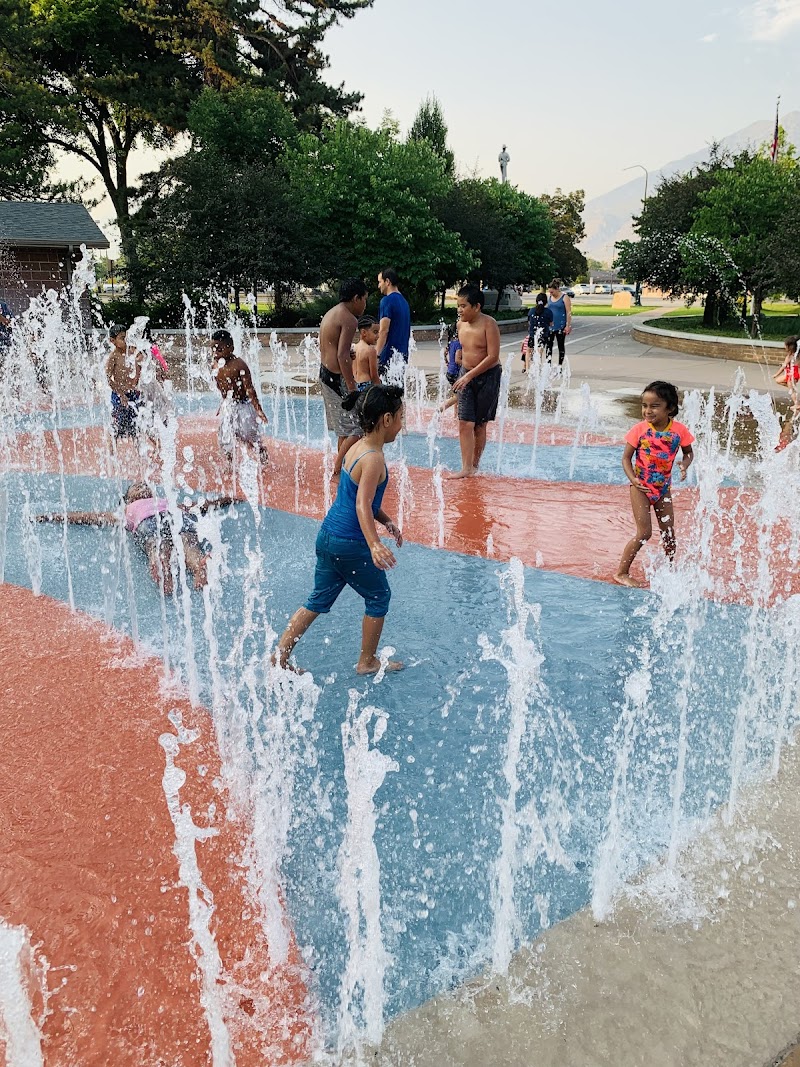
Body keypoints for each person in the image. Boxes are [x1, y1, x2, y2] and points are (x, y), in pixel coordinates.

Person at [275, 385, 405, 675]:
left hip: (328, 536)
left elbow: (356, 497)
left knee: (317, 600)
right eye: (399, 418)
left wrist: (386, 521)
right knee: (378, 597)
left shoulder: (356, 446)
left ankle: (280, 656)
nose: (401, 425)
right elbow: (361, 504)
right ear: (385, 420)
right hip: (351, 542)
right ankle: (367, 661)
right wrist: (373, 544)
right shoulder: (374, 458)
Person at [36, 483, 237, 593]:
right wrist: (52, 516)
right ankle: (177, 564)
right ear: (128, 499)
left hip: (164, 521)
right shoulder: (127, 511)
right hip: (165, 521)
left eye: (143, 485)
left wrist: (228, 499)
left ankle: (186, 564)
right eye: (136, 487)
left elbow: (202, 505)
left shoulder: (161, 502)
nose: (142, 485)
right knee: (170, 542)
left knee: (169, 542)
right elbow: (88, 517)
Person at [614, 381, 694, 588]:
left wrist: (684, 465)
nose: (647, 411)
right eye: (644, 405)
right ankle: (621, 572)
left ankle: (669, 569)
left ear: (670, 408)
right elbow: (625, 459)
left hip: (663, 489)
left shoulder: (679, 431)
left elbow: (688, 452)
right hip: (640, 488)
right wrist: (633, 479)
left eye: (654, 406)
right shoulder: (639, 430)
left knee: (668, 532)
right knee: (644, 533)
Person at [446, 285, 502, 478]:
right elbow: (464, 348)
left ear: (476, 306)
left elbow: (493, 356)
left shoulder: (489, 324)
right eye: (458, 306)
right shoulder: (460, 325)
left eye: (463, 306)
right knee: (464, 422)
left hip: (488, 376)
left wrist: (470, 375)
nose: (459, 310)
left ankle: (475, 465)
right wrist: (457, 360)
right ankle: (466, 467)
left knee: (479, 424)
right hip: (466, 374)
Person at [319, 279, 368, 474]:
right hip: (336, 378)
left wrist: (348, 354)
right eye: (364, 299)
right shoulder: (349, 318)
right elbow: (341, 356)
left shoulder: (333, 312)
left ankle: (346, 468)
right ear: (356, 298)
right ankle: (337, 471)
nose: (365, 305)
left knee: (344, 429)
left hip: (325, 374)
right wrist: (352, 388)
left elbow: (332, 348)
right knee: (356, 430)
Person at [211, 329, 269, 464]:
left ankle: (261, 454)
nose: (215, 352)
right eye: (213, 349)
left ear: (230, 347)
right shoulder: (214, 364)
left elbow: (250, 389)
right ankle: (230, 463)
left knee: (249, 436)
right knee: (224, 436)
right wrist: (223, 402)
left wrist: (258, 409)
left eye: (219, 349)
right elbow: (220, 386)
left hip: (244, 405)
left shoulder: (239, 365)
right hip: (229, 405)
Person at [105, 324, 141, 439]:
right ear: (112, 341)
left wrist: (137, 383)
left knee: (136, 427)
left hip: (132, 394)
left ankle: (139, 454)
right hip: (119, 395)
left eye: (126, 337)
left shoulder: (131, 352)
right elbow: (108, 379)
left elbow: (141, 361)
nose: (125, 341)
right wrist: (121, 394)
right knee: (117, 427)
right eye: (121, 338)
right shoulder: (113, 357)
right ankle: (111, 453)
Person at [376, 268, 411, 380]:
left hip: (388, 357)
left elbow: (384, 331)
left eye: (380, 282)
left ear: (387, 282)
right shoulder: (404, 302)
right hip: (402, 357)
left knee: (382, 394)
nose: (378, 286)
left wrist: (377, 355)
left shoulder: (386, 301)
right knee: (396, 391)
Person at [546, 278, 572, 367]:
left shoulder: (564, 297)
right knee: (548, 346)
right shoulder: (550, 298)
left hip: (561, 326)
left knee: (561, 345)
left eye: (552, 292)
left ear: (557, 289)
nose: (551, 293)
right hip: (550, 326)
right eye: (550, 292)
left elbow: (568, 312)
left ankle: (560, 365)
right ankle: (548, 365)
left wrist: (568, 325)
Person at [524, 293, 554, 372]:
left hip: (532, 334)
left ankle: (527, 368)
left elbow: (529, 321)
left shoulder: (532, 310)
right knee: (539, 351)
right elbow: (551, 323)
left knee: (529, 350)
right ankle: (538, 368)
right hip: (543, 334)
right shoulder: (548, 312)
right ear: (545, 302)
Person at [438, 324, 462, 414]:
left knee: (456, 394)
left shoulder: (451, 343)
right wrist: (471, 365)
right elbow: (457, 360)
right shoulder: (459, 344)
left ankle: (456, 415)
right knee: (459, 396)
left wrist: (447, 362)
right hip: (455, 374)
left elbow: (445, 352)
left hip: (450, 373)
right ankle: (440, 409)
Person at [353, 315, 381, 392]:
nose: (378, 336)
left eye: (378, 332)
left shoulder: (354, 348)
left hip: (355, 385)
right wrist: (381, 390)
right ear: (364, 332)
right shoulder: (371, 350)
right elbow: (374, 375)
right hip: (367, 386)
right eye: (375, 332)